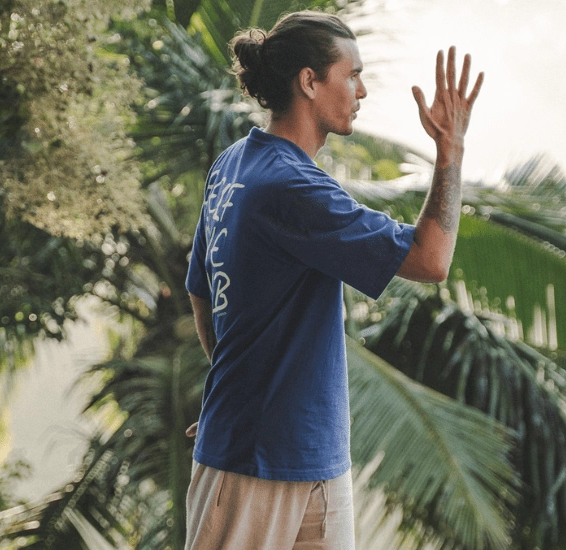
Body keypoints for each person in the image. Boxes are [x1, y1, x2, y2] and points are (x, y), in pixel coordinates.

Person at [183, 10, 483, 550]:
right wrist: (451, 151)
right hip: (256, 465)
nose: (362, 90)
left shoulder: (233, 164)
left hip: (315, 462)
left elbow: (200, 289)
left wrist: (230, 393)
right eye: (352, 74)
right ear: (309, 82)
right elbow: (431, 259)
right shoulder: (292, 187)